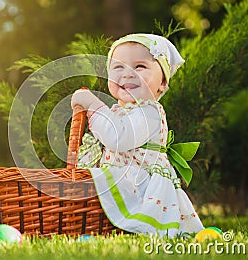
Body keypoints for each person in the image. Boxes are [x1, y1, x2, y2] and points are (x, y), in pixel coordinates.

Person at [70, 33, 204, 237]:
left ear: (162, 84)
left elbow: (118, 138)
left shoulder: (149, 111)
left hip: (141, 189)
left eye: (139, 66)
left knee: (134, 223)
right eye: (118, 67)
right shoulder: (120, 111)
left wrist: (93, 105)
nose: (127, 74)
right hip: (124, 182)